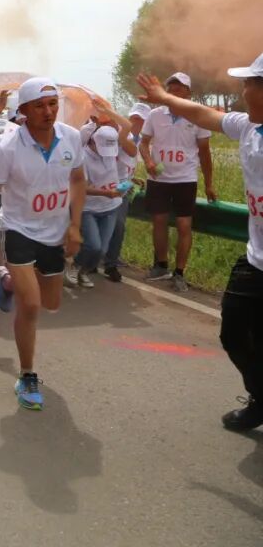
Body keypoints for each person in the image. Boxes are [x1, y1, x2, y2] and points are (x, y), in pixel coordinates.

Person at [136, 60, 263, 431]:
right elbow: (202, 113)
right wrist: (163, 98)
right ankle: (261, 397)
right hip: (257, 260)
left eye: (249, 84)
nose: (243, 90)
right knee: (234, 333)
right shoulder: (248, 126)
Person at [0, 77, 85, 411]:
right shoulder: (9, 147)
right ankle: (27, 375)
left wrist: (75, 225)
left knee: (51, 303)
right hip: (18, 229)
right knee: (32, 305)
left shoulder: (72, 137)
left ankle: (9, 283)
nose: (48, 111)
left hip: (54, 233)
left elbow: (78, 179)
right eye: (39, 106)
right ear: (23, 110)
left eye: (52, 104)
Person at [139, 72, 216, 292]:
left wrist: (209, 184)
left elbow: (205, 153)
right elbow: (143, 143)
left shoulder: (197, 115)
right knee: (159, 221)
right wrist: (148, 161)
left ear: (188, 92)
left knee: (184, 225)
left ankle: (179, 273)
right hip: (159, 178)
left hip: (185, 178)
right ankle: (161, 266)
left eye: (179, 87)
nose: (174, 90)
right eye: (170, 86)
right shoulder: (155, 115)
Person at [69, 125, 126, 288]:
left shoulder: (111, 154)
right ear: (93, 141)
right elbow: (80, 187)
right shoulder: (82, 158)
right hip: (88, 209)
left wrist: (124, 185)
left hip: (110, 207)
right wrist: (105, 193)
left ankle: (84, 271)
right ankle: (76, 265)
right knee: (93, 245)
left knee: (102, 250)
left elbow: (113, 177)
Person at [101, 102, 149, 282]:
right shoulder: (120, 134)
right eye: (133, 117)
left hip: (125, 186)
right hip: (110, 185)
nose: (136, 121)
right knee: (112, 223)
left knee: (119, 225)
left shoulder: (140, 138)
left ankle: (110, 262)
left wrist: (133, 178)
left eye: (140, 119)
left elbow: (126, 161)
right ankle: (100, 258)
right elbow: (126, 152)